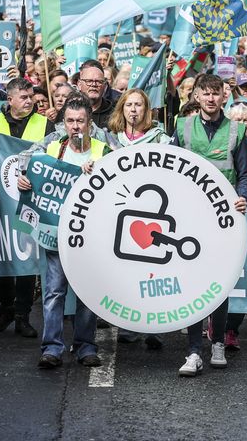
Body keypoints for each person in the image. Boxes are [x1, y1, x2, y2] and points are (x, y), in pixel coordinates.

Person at [19, 94, 106, 369]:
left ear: (89, 123)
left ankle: (85, 346)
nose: (75, 126)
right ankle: (52, 348)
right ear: (63, 123)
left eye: (81, 121)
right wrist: (24, 179)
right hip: (57, 232)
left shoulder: (103, 149)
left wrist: (100, 170)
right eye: (70, 121)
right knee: (54, 291)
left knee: (87, 292)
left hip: (92, 235)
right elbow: (26, 164)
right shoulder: (53, 147)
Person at [173, 73, 247, 377]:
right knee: (194, 284)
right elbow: (166, 167)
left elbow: (245, 173)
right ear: (196, 97)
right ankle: (194, 351)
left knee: (218, 285)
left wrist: (243, 196)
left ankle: (217, 341)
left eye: (215, 93)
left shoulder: (236, 131)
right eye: (204, 93)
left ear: (224, 96)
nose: (210, 99)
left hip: (222, 221)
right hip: (190, 218)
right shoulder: (182, 127)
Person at [0, 78, 54, 338]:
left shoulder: (45, 124)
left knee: (26, 256)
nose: (29, 100)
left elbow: (53, 159)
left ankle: (22, 314)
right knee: (3, 252)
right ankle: (7, 308)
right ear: (9, 99)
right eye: (23, 96)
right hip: (1, 201)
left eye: (30, 95)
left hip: (30, 200)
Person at [106, 88, 172, 350]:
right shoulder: (111, 140)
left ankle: (154, 327)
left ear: (147, 110)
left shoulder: (161, 140)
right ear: (122, 109)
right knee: (128, 269)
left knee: (154, 271)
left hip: (154, 213)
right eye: (129, 105)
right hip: (122, 212)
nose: (133, 110)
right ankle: (130, 325)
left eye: (139, 105)